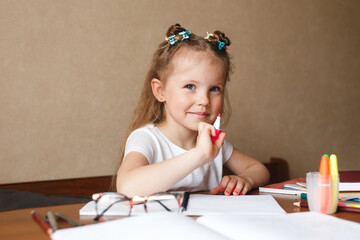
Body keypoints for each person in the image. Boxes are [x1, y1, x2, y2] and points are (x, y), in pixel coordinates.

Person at [116, 24, 269, 197]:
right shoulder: (147, 139)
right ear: (160, 91)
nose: (204, 100)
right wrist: (199, 155)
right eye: (190, 86)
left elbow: (258, 169)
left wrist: (246, 179)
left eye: (214, 89)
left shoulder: (213, 141)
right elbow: (127, 186)